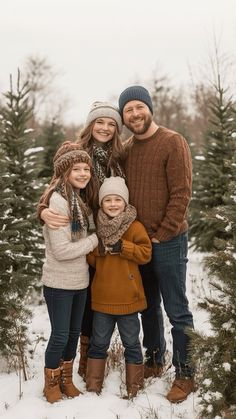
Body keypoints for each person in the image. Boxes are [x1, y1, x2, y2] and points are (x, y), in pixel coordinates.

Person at [38, 102, 125, 381]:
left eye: (111, 124)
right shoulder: (77, 155)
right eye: (99, 122)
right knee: (80, 313)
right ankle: (78, 367)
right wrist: (42, 211)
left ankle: (88, 361)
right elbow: (54, 188)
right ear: (90, 125)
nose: (105, 128)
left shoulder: (118, 158)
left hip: (106, 235)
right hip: (84, 239)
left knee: (93, 301)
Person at [118, 85, 194, 403]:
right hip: (139, 243)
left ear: (150, 108)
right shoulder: (125, 149)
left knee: (176, 309)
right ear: (123, 116)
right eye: (128, 110)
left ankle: (186, 372)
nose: (135, 114)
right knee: (147, 306)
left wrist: (162, 233)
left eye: (139, 107)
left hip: (168, 240)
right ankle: (153, 359)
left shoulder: (172, 142)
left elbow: (181, 193)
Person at [40, 141, 98, 403]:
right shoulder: (58, 201)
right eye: (77, 169)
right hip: (59, 282)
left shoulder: (79, 199)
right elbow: (62, 250)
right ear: (65, 173)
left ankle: (66, 378)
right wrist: (95, 241)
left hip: (80, 281)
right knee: (60, 334)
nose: (84, 173)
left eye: (86, 168)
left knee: (74, 333)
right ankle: (51, 383)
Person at [85, 177, 152, 398]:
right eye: (108, 200)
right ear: (101, 204)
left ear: (125, 203)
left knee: (131, 344)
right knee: (98, 343)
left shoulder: (134, 226)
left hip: (128, 300)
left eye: (117, 200)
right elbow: (92, 259)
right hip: (103, 299)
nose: (113, 204)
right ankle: (93, 386)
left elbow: (145, 254)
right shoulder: (98, 227)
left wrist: (124, 247)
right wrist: (99, 252)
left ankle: (135, 387)